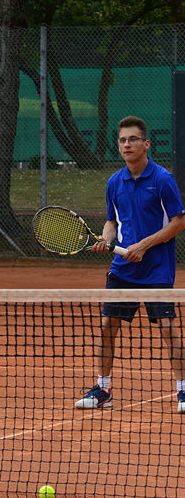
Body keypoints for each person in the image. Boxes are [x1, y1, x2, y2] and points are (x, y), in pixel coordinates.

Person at [74, 115, 185, 411]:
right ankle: (103, 390)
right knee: (108, 326)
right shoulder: (115, 182)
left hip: (157, 269)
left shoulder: (163, 179)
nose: (127, 144)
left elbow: (178, 222)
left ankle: (183, 391)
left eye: (133, 139)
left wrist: (144, 245)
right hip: (123, 270)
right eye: (122, 140)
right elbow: (112, 222)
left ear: (146, 144)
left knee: (167, 327)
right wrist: (104, 237)